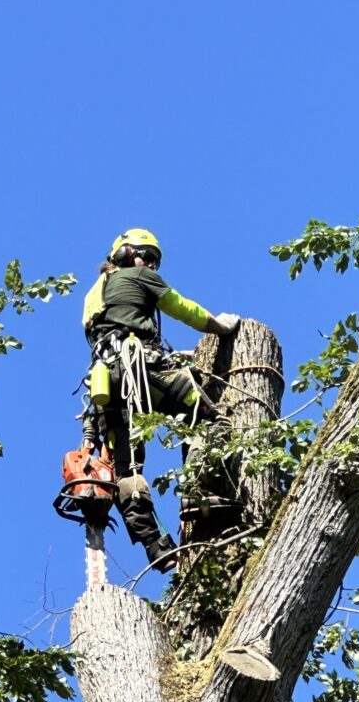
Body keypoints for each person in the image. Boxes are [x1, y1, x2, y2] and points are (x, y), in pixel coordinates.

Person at [81, 227, 240, 571]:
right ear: (126, 254)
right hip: (141, 370)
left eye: (155, 261)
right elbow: (181, 307)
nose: (151, 265)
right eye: (147, 257)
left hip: (108, 383)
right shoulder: (138, 277)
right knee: (209, 419)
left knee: (126, 467)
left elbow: (117, 326)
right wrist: (219, 326)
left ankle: (155, 546)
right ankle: (200, 491)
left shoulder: (95, 293)